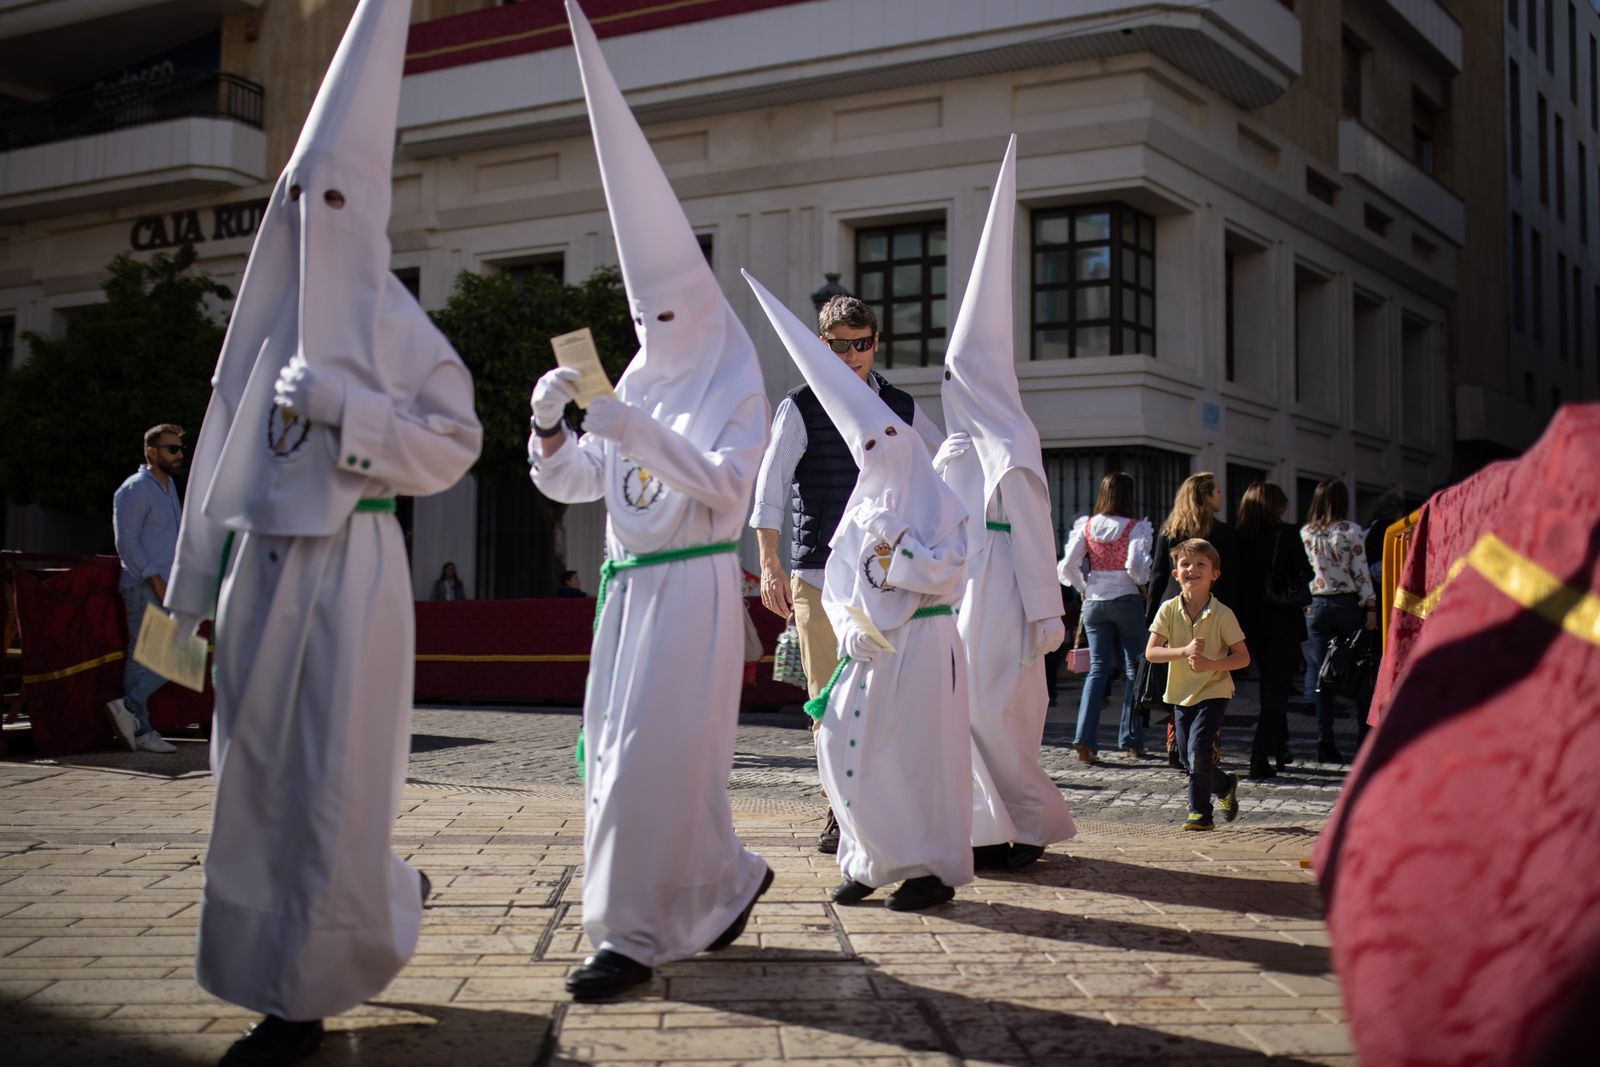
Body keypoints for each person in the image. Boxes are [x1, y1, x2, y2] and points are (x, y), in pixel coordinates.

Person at [162, 4, 484, 1063]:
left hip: (354, 562)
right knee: (252, 773)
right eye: (300, 199)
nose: (316, 216)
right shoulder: (259, 325)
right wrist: (188, 592)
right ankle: (308, 939)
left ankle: (299, 994)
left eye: (334, 197)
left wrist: (357, 415)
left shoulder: (396, 321)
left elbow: (454, 440)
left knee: (333, 772)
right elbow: (216, 458)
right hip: (262, 565)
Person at [527, 1, 771, 1001]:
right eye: (640, 313)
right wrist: (551, 426)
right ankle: (725, 877)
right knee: (637, 762)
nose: (652, 325)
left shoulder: (732, 379)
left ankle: (628, 933)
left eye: (665, 309)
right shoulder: (640, 378)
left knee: (645, 762)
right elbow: (583, 482)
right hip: (627, 595)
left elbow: (724, 483)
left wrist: (628, 428)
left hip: (695, 593)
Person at [746, 267, 973, 911]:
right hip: (822, 578)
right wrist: (770, 565)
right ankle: (845, 821)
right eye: (838, 345)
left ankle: (900, 844)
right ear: (821, 345)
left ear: (877, 342)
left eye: (861, 342)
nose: (850, 355)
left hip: (895, 590)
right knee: (832, 705)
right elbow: (769, 490)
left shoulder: (901, 407)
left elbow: (944, 462)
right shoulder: (799, 406)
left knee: (895, 718)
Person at [934, 135, 1073, 871]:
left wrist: (1047, 609)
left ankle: (1020, 823)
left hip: (1004, 599)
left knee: (1000, 714)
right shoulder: (958, 444)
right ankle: (982, 825)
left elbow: (1029, 527)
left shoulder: (1013, 435)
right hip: (962, 590)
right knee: (964, 712)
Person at [1145, 539, 1250, 831]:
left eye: (1201, 564)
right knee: (1185, 757)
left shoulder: (1223, 614)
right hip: (1180, 693)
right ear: (1176, 574)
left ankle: (1200, 813)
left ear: (1214, 574)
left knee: (1198, 751)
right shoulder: (1167, 609)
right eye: (1185, 564)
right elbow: (1151, 653)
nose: (1192, 569)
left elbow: (1242, 657)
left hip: (1214, 691)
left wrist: (1211, 665)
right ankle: (1225, 784)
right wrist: (1183, 651)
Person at [1059, 471, 1153, 764]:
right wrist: (1142, 582)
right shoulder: (1135, 527)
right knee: (1135, 668)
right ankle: (1132, 739)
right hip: (1125, 599)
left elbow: (1067, 566)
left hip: (1095, 602)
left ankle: (1085, 739)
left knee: (1097, 671)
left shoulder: (1086, 525)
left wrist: (1084, 588)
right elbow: (1136, 565)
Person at [1146, 472, 1237, 767]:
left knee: (1177, 677)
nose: (1221, 497)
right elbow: (1229, 578)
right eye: (1217, 492)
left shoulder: (1169, 529)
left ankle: (1176, 742)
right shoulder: (1221, 532)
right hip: (1208, 612)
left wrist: (1151, 617)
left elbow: (1158, 575)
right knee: (1209, 679)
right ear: (1206, 496)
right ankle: (1206, 747)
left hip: (1171, 609)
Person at [106, 423, 185, 754]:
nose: (179, 454)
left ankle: (132, 714)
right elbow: (126, 541)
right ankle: (141, 727)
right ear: (152, 452)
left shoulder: (168, 489)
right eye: (172, 448)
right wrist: (155, 579)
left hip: (168, 584)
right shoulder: (135, 489)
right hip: (144, 585)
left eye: (180, 448)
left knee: (174, 656)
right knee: (155, 657)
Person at [1233, 482, 1311, 778]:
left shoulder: (1237, 536)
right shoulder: (1286, 534)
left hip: (1248, 623)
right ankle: (1259, 755)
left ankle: (1281, 747)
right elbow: (1305, 571)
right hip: (1282, 622)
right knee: (1276, 691)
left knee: (1269, 688)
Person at [1300, 478, 1377, 763]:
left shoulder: (1307, 533)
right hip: (1347, 604)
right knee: (1359, 670)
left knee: (1323, 675)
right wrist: (1371, 607)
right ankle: (1363, 738)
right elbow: (1361, 572)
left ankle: (1325, 740)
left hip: (1317, 605)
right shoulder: (1352, 531)